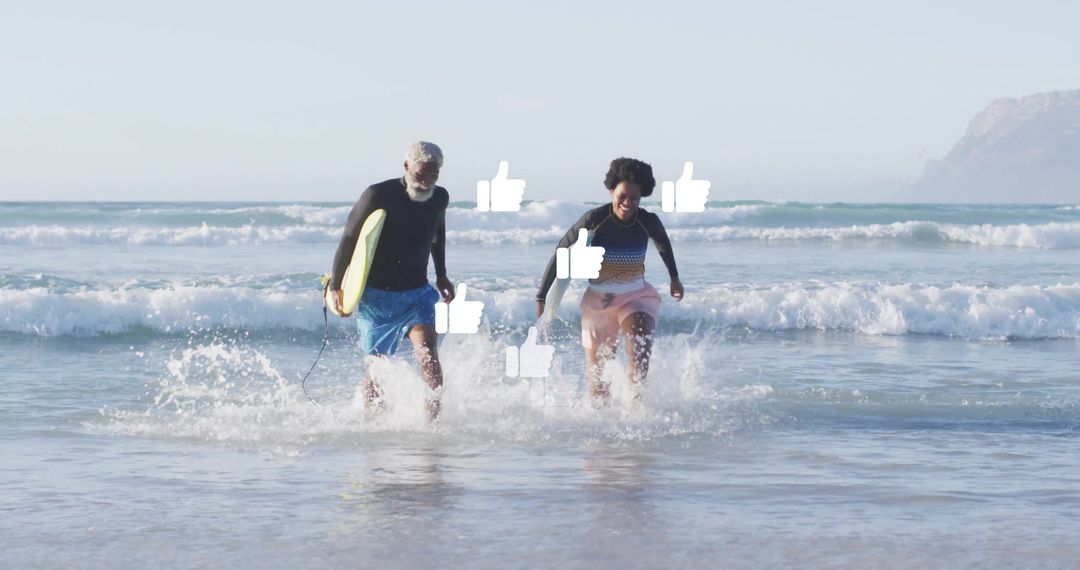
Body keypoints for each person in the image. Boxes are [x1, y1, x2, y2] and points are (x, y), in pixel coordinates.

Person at [536, 157, 683, 407]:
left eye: (634, 198)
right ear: (611, 190)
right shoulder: (594, 219)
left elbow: (662, 243)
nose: (627, 203)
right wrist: (542, 297)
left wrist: (674, 277)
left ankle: (636, 416)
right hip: (598, 304)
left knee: (639, 350)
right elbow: (562, 250)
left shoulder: (647, 221)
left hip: (637, 297)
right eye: (623, 195)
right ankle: (603, 432)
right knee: (599, 386)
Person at [329, 141, 455, 421]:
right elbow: (350, 238)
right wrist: (337, 284)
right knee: (377, 370)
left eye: (433, 176)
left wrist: (442, 273)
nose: (426, 182)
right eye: (421, 174)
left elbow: (437, 233)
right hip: (377, 297)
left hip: (417, 294)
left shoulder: (439, 198)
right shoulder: (378, 195)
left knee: (429, 358)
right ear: (407, 166)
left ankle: (432, 426)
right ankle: (374, 426)